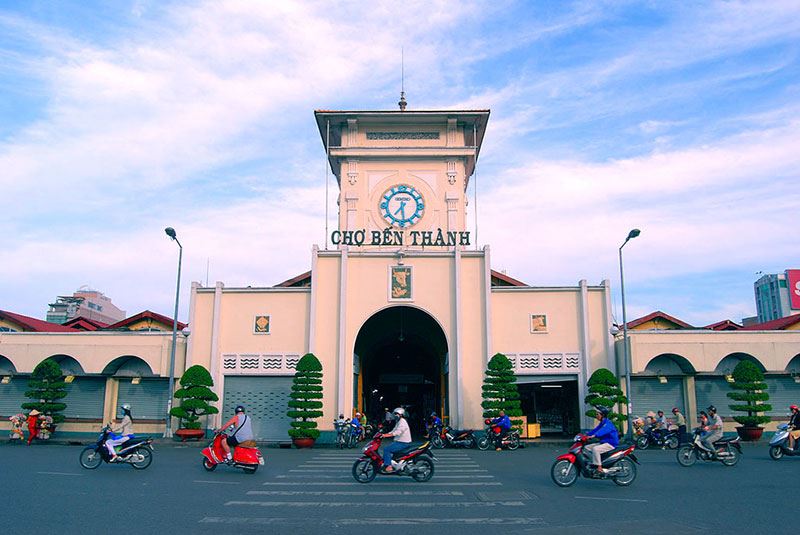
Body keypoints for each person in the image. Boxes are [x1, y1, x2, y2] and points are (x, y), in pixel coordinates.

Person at [585, 406, 619, 473]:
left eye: (597, 414)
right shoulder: (602, 423)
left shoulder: (608, 423)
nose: (596, 416)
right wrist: (586, 434)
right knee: (587, 448)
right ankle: (595, 462)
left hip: (610, 443)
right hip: (604, 442)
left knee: (595, 449)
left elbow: (602, 431)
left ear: (602, 415)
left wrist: (594, 435)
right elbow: (596, 430)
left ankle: (599, 467)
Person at [380, 407, 412, 472]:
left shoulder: (402, 422)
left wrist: (386, 435)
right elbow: (394, 430)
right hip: (399, 442)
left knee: (387, 449)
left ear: (400, 415)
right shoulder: (399, 421)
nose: (395, 415)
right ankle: (395, 465)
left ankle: (388, 466)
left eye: (396, 414)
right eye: (394, 414)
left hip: (403, 443)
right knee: (390, 449)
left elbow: (397, 432)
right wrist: (385, 434)